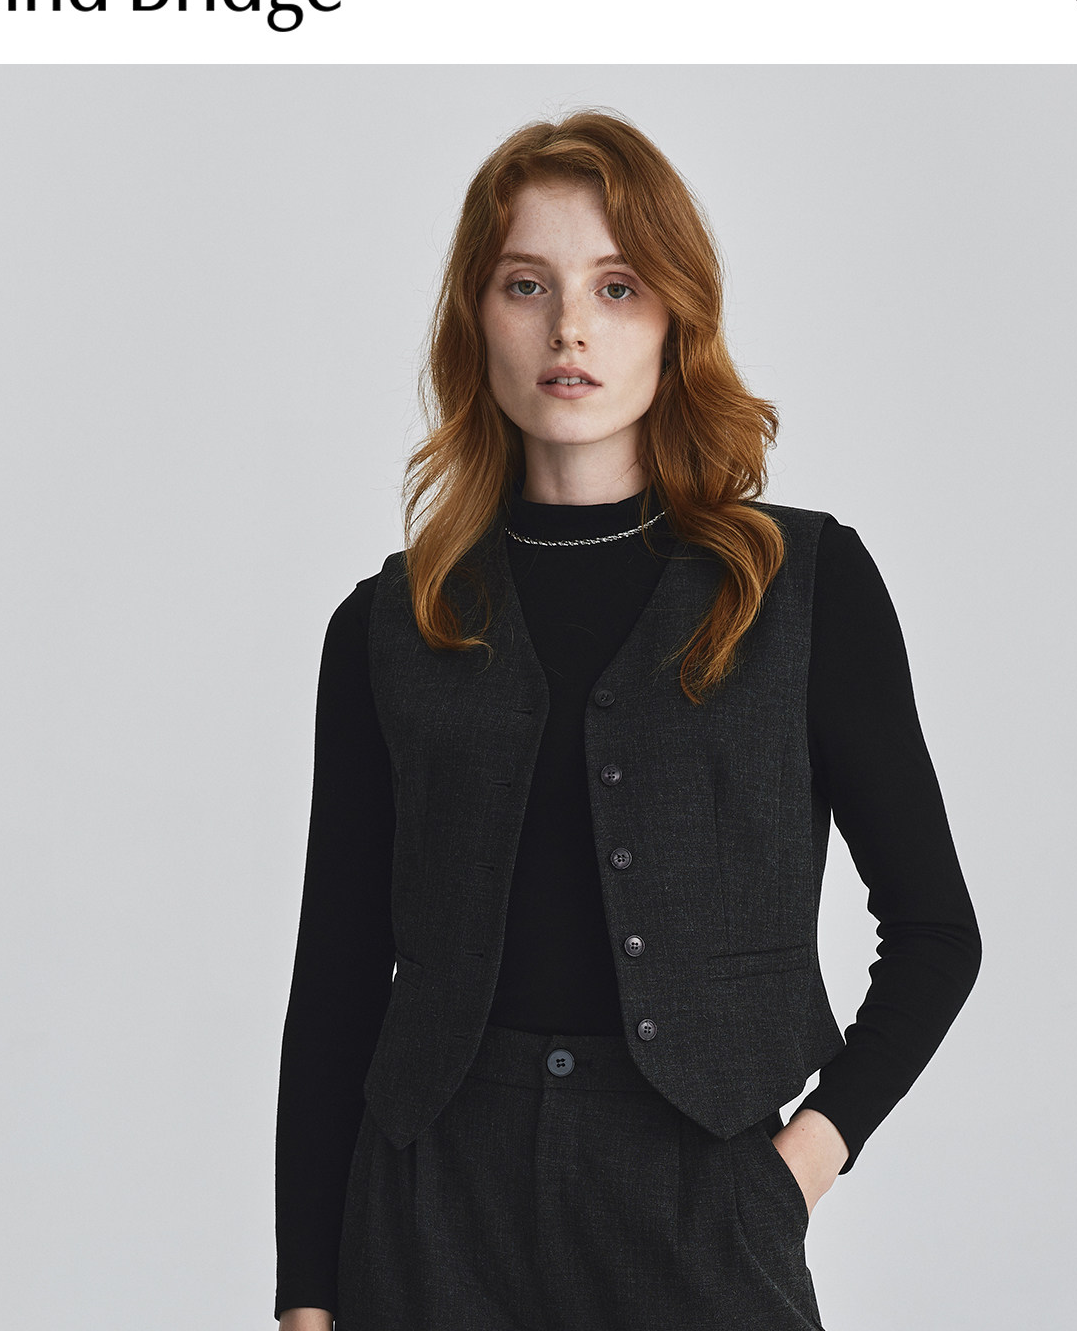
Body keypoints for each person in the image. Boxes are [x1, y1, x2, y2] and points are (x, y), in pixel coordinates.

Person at [274, 110, 982, 1330]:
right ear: (475, 319)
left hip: (696, 1200)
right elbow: (336, 981)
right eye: (526, 285)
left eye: (616, 286)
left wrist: (796, 1169)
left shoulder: (800, 587)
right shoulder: (390, 624)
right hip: (431, 1209)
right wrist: (306, 1297)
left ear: (674, 320)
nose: (570, 328)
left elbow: (935, 932)